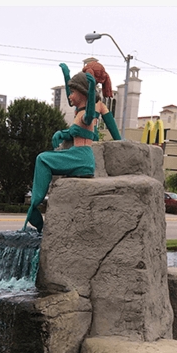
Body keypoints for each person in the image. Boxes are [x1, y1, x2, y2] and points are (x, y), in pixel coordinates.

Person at [22, 62, 122, 233]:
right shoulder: (79, 112)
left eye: (73, 92)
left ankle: (36, 201)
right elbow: (75, 129)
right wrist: (62, 133)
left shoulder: (88, 113)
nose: (69, 95)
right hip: (78, 153)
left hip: (82, 156)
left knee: (43, 158)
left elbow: (93, 113)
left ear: (83, 92)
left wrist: (91, 89)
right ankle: (36, 204)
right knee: (46, 157)